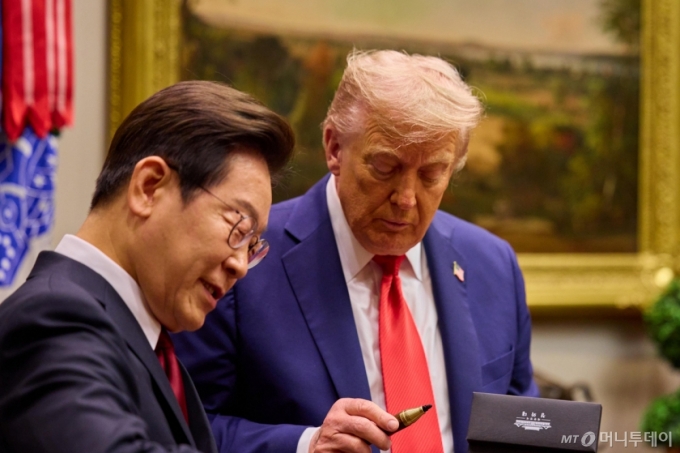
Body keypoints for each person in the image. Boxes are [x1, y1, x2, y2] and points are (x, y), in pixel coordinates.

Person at [174, 50, 539, 453]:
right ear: (334, 147)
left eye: (432, 174)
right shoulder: (241, 258)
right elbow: (184, 428)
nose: (406, 199)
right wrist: (306, 445)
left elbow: (520, 424)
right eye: (385, 167)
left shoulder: (493, 264)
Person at [0, 81, 295, 453]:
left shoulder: (153, 347)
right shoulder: (51, 319)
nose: (241, 266)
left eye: (252, 245)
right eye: (238, 227)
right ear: (149, 187)